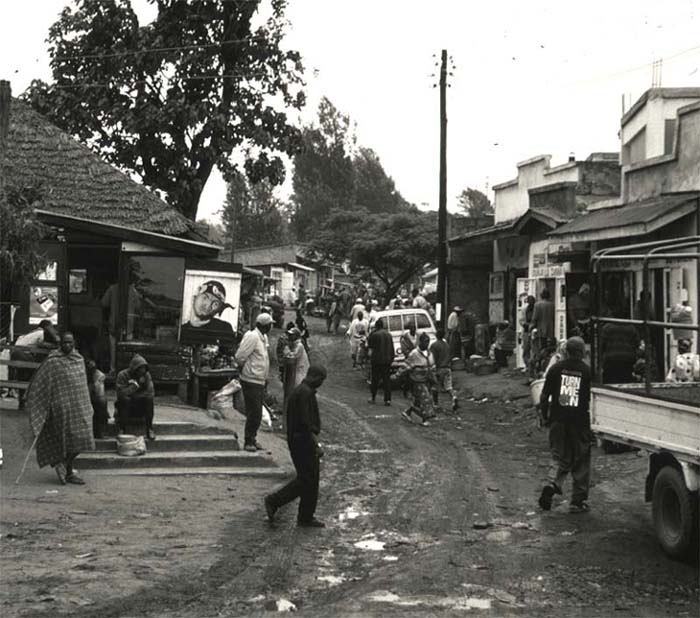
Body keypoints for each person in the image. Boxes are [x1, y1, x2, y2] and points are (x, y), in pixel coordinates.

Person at [26, 331, 95, 485]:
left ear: (74, 343)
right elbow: (40, 384)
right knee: (65, 441)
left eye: (70, 342)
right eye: (65, 342)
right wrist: (42, 405)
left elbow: (81, 385)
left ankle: (64, 463)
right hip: (60, 408)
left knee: (83, 439)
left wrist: (87, 405)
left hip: (79, 407)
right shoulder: (53, 361)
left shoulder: (78, 359)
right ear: (60, 344)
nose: (68, 345)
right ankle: (69, 472)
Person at [264, 365, 328, 528]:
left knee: (310, 479)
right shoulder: (304, 394)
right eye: (321, 380)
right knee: (308, 479)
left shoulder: (302, 391)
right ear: (315, 377)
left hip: (299, 440)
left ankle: (305, 516)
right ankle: (276, 501)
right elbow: (306, 424)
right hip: (302, 441)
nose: (321, 383)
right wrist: (316, 445)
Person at [538, 336, 592, 513]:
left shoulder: (555, 369)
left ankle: (552, 484)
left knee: (559, 457)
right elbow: (592, 399)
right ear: (582, 352)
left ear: (566, 351)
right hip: (579, 422)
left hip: (558, 420)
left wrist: (545, 417)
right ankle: (577, 501)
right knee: (581, 460)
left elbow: (544, 396)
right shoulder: (587, 371)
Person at [235, 313, 272, 452]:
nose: (271, 327)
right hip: (251, 379)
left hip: (259, 380)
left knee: (256, 412)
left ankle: (252, 438)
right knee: (254, 412)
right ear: (264, 325)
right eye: (269, 324)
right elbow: (240, 356)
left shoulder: (263, 338)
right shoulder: (253, 336)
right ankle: (248, 441)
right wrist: (246, 370)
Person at [11, 320, 58, 406]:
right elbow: (42, 344)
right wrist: (55, 345)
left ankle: (22, 400)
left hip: (17, 354)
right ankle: (30, 399)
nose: (52, 328)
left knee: (24, 376)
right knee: (37, 371)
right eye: (51, 326)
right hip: (23, 354)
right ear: (46, 326)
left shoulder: (32, 332)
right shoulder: (41, 332)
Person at [101, 278, 142, 374]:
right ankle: (127, 371)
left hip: (114, 325)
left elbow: (104, 303)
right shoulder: (132, 290)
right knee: (128, 351)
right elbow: (138, 306)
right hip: (128, 326)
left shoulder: (112, 289)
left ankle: (113, 370)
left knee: (113, 350)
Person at [180, 280, 236, 345]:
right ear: (194, 298)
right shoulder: (182, 330)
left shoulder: (224, 329)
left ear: (218, 310)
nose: (208, 305)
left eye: (215, 304)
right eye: (205, 298)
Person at [115, 354, 156, 440]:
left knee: (149, 400)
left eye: (144, 368)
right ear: (135, 368)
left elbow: (150, 392)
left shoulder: (147, 375)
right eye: (140, 368)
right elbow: (121, 393)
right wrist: (136, 385)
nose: (143, 371)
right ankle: (122, 429)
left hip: (140, 406)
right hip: (126, 406)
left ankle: (149, 428)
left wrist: (133, 395)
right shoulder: (122, 375)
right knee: (124, 399)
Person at [400, 332, 436, 426]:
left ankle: (408, 412)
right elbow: (406, 366)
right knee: (425, 399)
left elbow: (432, 365)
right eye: (425, 342)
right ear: (420, 342)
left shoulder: (429, 353)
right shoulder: (414, 354)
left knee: (418, 400)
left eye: (428, 342)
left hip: (427, 379)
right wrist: (397, 375)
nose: (427, 344)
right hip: (417, 380)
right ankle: (424, 419)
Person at [600, 308, 639, 383]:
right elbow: (636, 343)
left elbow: (602, 344)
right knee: (625, 379)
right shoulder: (631, 328)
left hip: (611, 359)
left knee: (610, 381)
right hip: (627, 359)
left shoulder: (607, 327)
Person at [367, 318, 395, 406]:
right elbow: (392, 348)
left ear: (376, 326)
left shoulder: (375, 335)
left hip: (377, 360)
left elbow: (370, 347)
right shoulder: (389, 335)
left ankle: (373, 397)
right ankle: (387, 399)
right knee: (386, 380)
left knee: (375, 379)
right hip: (387, 360)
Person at [430, 328, 458, 411]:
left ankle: (435, 404)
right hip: (447, 367)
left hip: (439, 368)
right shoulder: (446, 345)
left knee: (435, 387)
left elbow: (433, 358)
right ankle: (454, 397)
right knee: (448, 386)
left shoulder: (434, 345)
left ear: (436, 335)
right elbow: (450, 355)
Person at [530, 288, 555, 378]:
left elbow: (534, 318)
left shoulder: (537, 305)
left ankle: (538, 369)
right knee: (549, 351)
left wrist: (531, 328)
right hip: (551, 330)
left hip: (540, 331)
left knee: (539, 351)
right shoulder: (553, 305)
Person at [85, 359, 108, 439]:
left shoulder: (99, 375)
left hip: (92, 396)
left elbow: (100, 393)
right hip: (79, 396)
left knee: (102, 401)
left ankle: (101, 431)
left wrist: (94, 382)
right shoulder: (80, 373)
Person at [520, 295, 536, 371]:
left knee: (533, 349)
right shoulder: (524, 309)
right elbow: (521, 320)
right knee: (526, 349)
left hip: (534, 331)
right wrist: (525, 324)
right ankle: (527, 365)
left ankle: (532, 366)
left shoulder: (536, 309)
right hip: (526, 331)